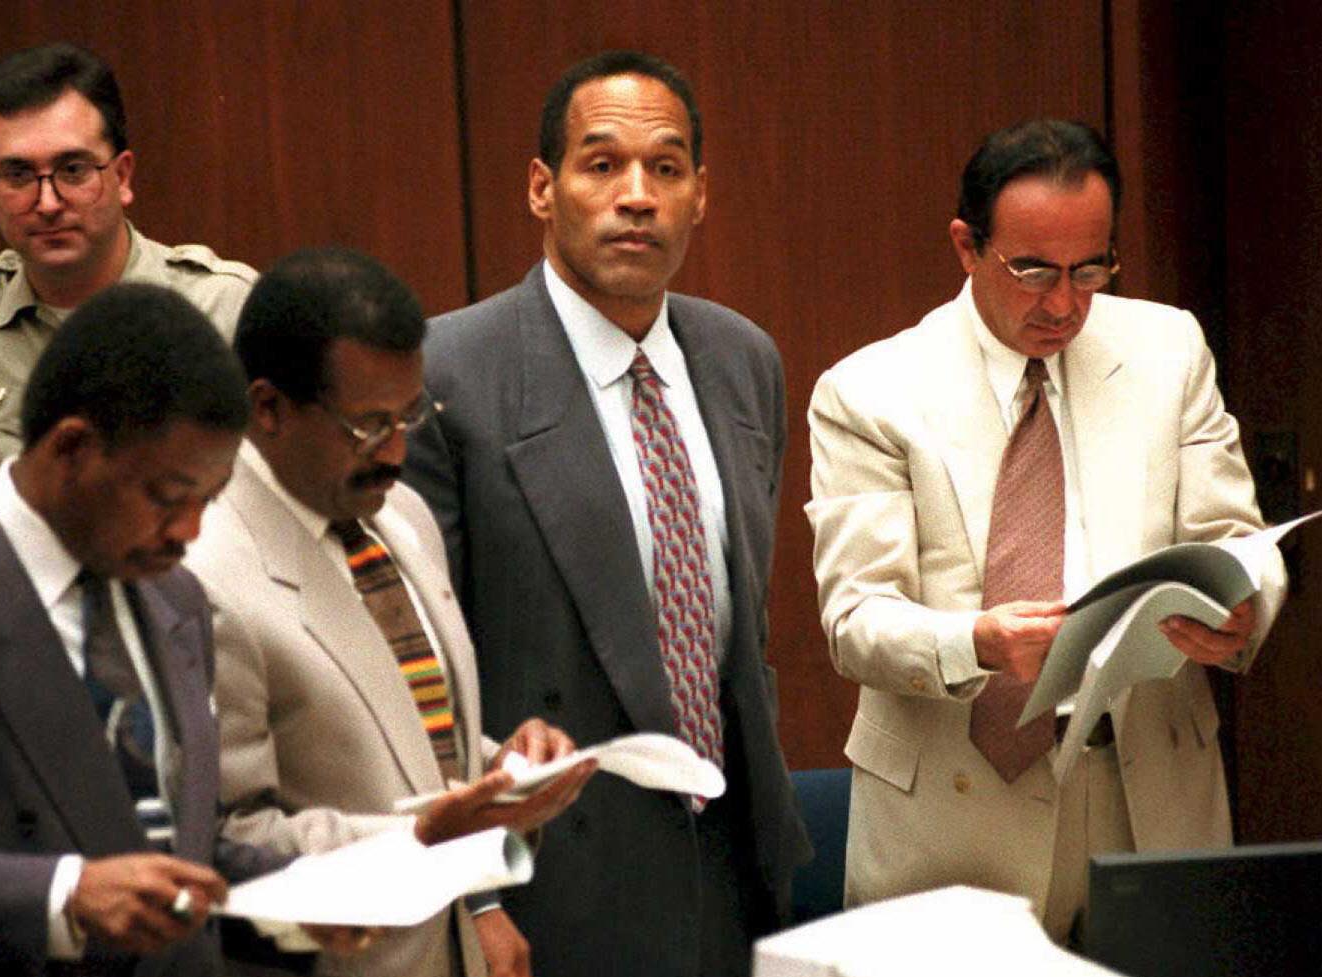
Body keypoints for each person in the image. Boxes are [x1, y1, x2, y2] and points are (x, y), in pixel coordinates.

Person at [805, 119, 1289, 942]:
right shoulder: (870, 391)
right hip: (954, 810)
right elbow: (856, 622)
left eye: (1090, 268)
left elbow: (1232, 537)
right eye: (1031, 270)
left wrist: (1243, 608)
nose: (1064, 303)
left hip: (1144, 786)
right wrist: (976, 643)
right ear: (966, 246)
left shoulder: (1166, 350)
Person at [404, 51, 810, 977]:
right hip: (551, 881)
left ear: (700, 194)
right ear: (542, 188)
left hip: (734, 867)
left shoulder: (743, 358)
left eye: (666, 169)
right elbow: (418, 667)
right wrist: (477, 894)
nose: (637, 195)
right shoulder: (448, 374)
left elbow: (734, 634)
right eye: (601, 165)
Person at [0, 282, 377, 975]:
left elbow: (173, 845)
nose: (189, 532)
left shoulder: (176, 599)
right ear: (72, 447)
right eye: (167, 497)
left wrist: (293, 896)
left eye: (209, 501)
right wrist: (61, 895)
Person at [187, 247, 596, 977]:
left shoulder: (400, 516)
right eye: (367, 427)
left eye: (409, 414)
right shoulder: (203, 575)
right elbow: (222, 842)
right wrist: (418, 834)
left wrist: (499, 769)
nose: (398, 452)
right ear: (266, 408)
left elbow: (414, 741)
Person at [0, 42, 255, 503]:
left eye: (73, 169)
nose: (47, 203)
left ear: (122, 176)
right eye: (19, 175)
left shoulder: (224, 306)